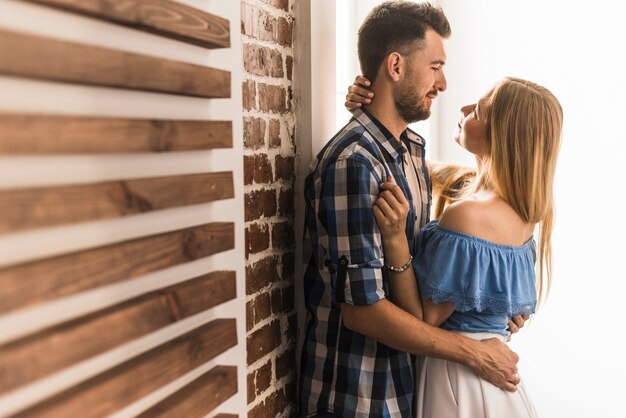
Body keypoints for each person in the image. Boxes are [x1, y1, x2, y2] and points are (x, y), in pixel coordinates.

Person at [299, 2, 524, 417]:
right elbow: (363, 312)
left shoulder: (411, 153)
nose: (443, 83)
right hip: (359, 398)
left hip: (407, 389)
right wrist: (473, 352)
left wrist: (492, 299)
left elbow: (482, 212)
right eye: (435, 66)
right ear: (396, 66)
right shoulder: (355, 163)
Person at [370, 77, 563, 416]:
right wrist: (368, 106)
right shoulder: (523, 211)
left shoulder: (469, 215)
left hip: (458, 380)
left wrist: (395, 237)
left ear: (501, 136)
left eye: (477, 111)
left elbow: (421, 319)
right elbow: (420, 169)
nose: (462, 110)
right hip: (497, 390)